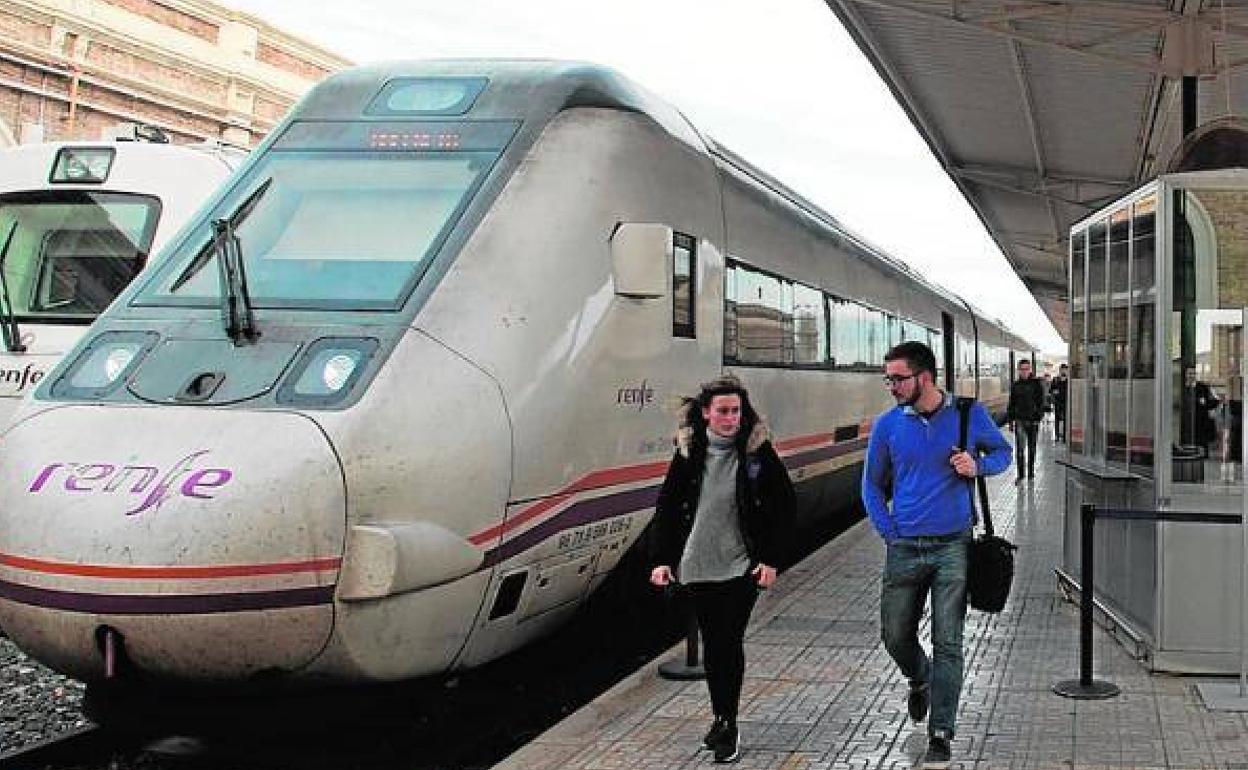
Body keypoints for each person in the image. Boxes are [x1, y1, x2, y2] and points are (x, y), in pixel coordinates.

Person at [862, 341, 1011, 769]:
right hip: (904, 547)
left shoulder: (967, 414)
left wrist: (976, 467)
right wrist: (888, 532)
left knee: (950, 641)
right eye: (887, 378)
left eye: (897, 378)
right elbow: (871, 485)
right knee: (895, 636)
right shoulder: (888, 425)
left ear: (924, 377)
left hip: (953, 546)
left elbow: (1004, 452)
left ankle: (941, 731)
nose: (891, 386)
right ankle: (919, 677)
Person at [649, 374, 795, 764]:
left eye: (736, 411)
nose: (731, 418)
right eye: (723, 411)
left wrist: (771, 560)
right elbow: (667, 507)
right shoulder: (688, 453)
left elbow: (784, 506)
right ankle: (720, 716)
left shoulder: (757, 453)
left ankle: (727, 724)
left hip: (741, 566)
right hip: (697, 565)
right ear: (706, 413)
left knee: (727, 643)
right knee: (715, 646)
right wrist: (662, 559)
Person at [1006, 359, 1046, 482]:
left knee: (1032, 448)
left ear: (1030, 370)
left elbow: (1041, 402)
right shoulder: (1015, 385)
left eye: (1026, 369)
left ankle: (1030, 473)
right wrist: (1011, 420)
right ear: (1019, 370)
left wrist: (1038, 417)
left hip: (1033, 421)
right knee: (1020, 449)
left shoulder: (1036, 384)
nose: (1024, 372)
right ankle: (1021, 474)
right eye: (1022, 369)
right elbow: (1011, 404)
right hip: (1020, 421)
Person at [1182, 367, 1220, 451]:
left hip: (1201, 422)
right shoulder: (1182, 388)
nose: (1191, 376)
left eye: (1193, 373)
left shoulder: (1203, 387)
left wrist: (1206, 404)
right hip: (1186, 422)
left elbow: (1215, 401)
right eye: (1189, 373)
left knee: (1202, 445)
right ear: (1185, 375)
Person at [1049, 364, 1068, 443]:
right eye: (1062, 369)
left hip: (1066, 402)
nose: (1063, 371)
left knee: (1066, 420)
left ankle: (1065, 437)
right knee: (1057, 419)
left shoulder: (1068, 380)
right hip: (1057, 402)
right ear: (1060, 370)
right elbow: (1051, 390)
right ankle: (1057, 435)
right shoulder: (1055, 379)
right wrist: (1054, 392)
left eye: (1065, 370)